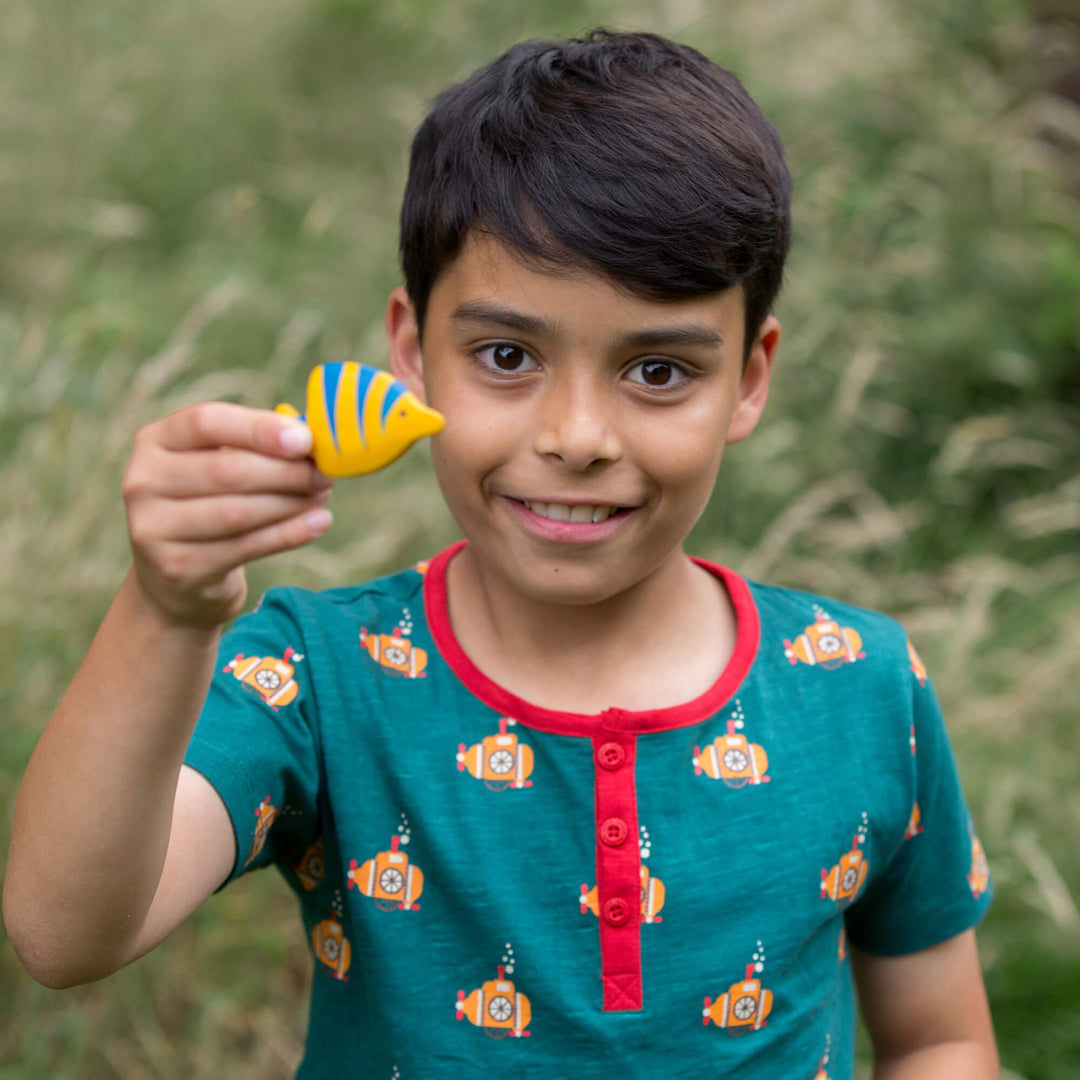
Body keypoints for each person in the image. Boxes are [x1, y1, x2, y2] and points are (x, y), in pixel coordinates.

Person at [3, 29, 997, 1079]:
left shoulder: (864, 687)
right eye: (508, 356)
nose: (576, 436)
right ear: (410, 351)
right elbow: (65, 936)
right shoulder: (317, 679)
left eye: (657, 370)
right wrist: (166, 610)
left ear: (749, 378)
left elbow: (940, 1038)